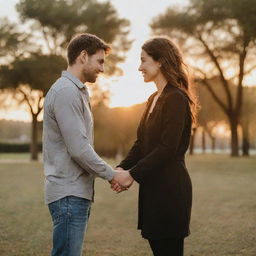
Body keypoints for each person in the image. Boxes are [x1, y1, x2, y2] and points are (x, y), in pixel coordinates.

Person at [112, 36, 197, 256]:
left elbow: (168, 147)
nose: (139, 67)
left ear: (159, 62)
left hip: (170, 190)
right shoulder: (153, 99)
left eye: (143, 60)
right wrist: (121, 169)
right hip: (152, 190)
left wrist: (132, 175)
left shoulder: (176, 98)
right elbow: (142, 144)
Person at [43, 33, 123, 256]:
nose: (102, 69)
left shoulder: (75, 91)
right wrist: (112, 175)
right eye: (100, 61)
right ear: (83, 56)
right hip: (68, 195)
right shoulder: (66, 92)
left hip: (75, 194)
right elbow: (78, 149)